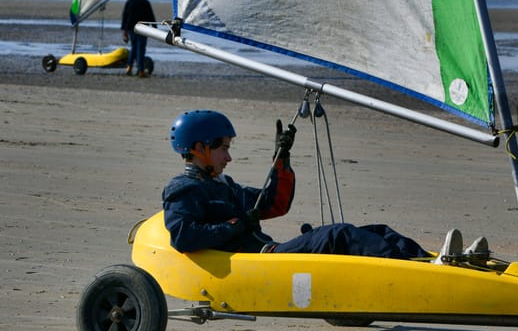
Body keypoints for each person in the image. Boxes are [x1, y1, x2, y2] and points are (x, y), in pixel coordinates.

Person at [161, 110, 489, 263]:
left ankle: (438, 261)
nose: (229, 156)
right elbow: (184, 237)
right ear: (200, 148)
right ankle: (427, 269)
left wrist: (281, 158)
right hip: (260, 262)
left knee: (380, 230)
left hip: (268, 254)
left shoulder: (223, 185)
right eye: (223, 148)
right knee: (336, 235)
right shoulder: (184, 190)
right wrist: (236, 225)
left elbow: (273, 204)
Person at [121, 0, 155, 77]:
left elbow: (125, 17)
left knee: (134, 48)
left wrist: (124, 32)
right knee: (141, 49)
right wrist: (155, 27)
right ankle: (140, 70)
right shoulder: (145, 2)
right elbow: (150, 15)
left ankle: (129, 67)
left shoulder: (129, 2)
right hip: (143, 28)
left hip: (132, 28)